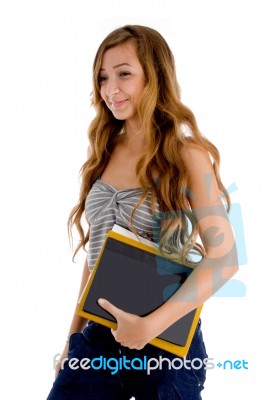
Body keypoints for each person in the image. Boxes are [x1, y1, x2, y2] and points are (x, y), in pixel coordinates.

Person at [46, 25, 238, 400]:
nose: (110, 88)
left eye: (124, 73)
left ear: (155, 76)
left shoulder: (188, 155)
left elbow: (226, 258)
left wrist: (149, 327)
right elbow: (98, 253)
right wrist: (72, 337)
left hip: (166, 341)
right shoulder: (103, 151)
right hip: (99, 338)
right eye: (103, 77)